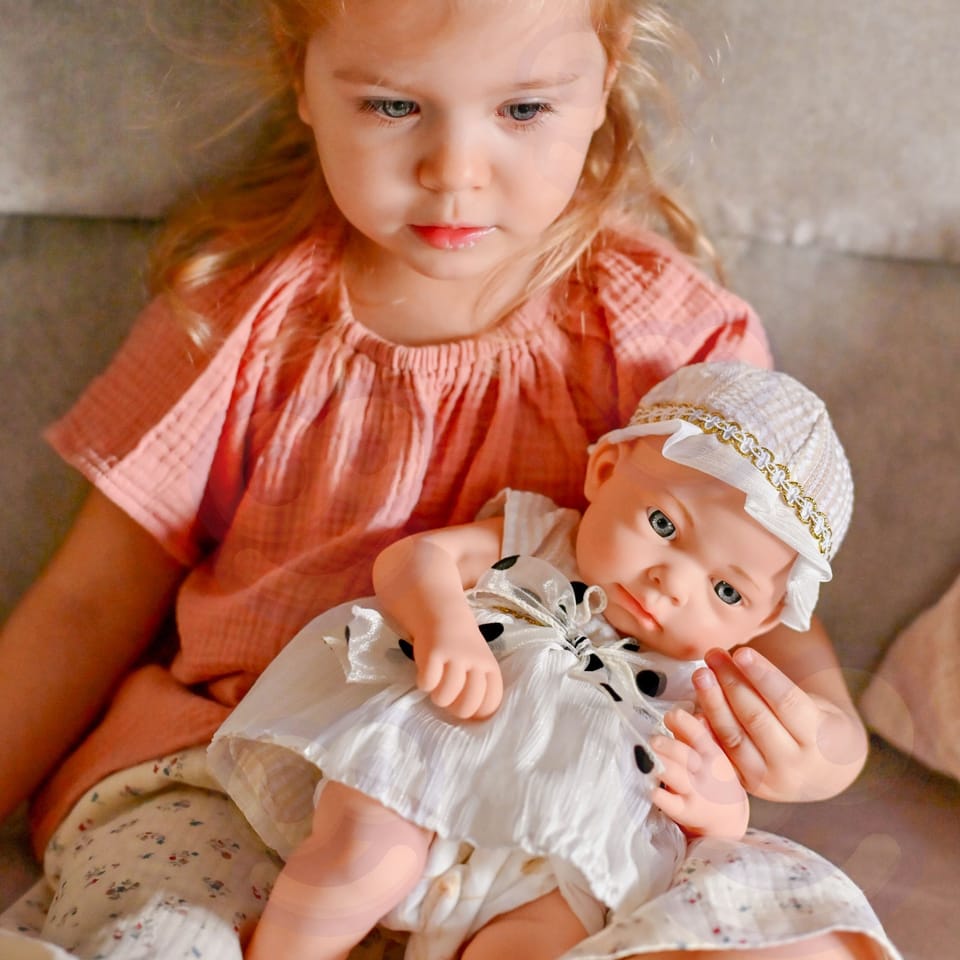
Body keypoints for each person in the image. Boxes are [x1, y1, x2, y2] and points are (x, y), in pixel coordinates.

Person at [0, 2, 895, 960]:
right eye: (393, 106)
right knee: (164, 931)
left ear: (606, 76)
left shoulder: (667, 335)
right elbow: (89, 606)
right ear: (303, 77)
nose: (456, 172)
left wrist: (831, 744)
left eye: (522, 110)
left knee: (778, 931)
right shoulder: (240, 318)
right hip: (246, 763)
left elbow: (763, 588)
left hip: (555, 807)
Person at [208, 360, 888, 960]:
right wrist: (442, 623)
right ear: (605, 471)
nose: (672, 584)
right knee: (362, 860)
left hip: (557, 861)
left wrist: (721, 805)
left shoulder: (711, 680)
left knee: (537, 946)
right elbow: (419, 557)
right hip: (420, 770)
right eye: (663, 525)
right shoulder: (540, 539)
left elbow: (714, 814)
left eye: (727, 591)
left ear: (763, 622)